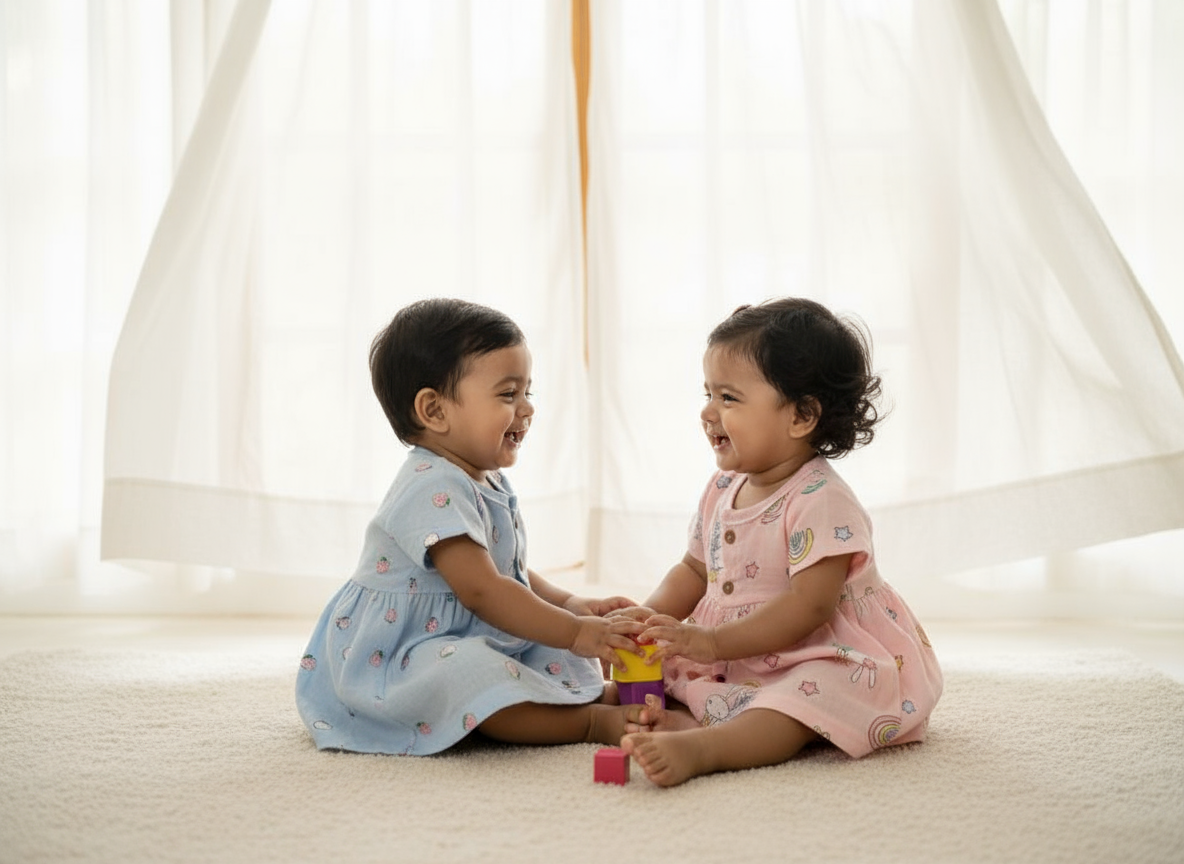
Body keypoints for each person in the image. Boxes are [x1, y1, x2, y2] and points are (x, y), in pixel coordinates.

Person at [296, 298, 645, 755]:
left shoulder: (483, 476)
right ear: (435, 411)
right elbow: (482, 589)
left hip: (462, 627)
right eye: (507, 394)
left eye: (528, 393)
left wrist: (572, 604)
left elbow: (508, 571)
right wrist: (578, 632)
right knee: (473, 671)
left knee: (547, 639)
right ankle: (589, 722)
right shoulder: (429, 484)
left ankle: (585, 697)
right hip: (407, 651)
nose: (527, 409)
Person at [618, 297, 943, 786]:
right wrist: (650, 617)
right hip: (740, 649)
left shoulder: (821, 498)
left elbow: (809, 607)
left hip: (815, 650)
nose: (708, 412)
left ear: (801, 416)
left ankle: (708, 748)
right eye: (707, 393)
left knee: (802, 698)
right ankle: (689, 718)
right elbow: (693, 570)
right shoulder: (722, 488)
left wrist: (709, 642)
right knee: (671, 673)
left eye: (728, 398)